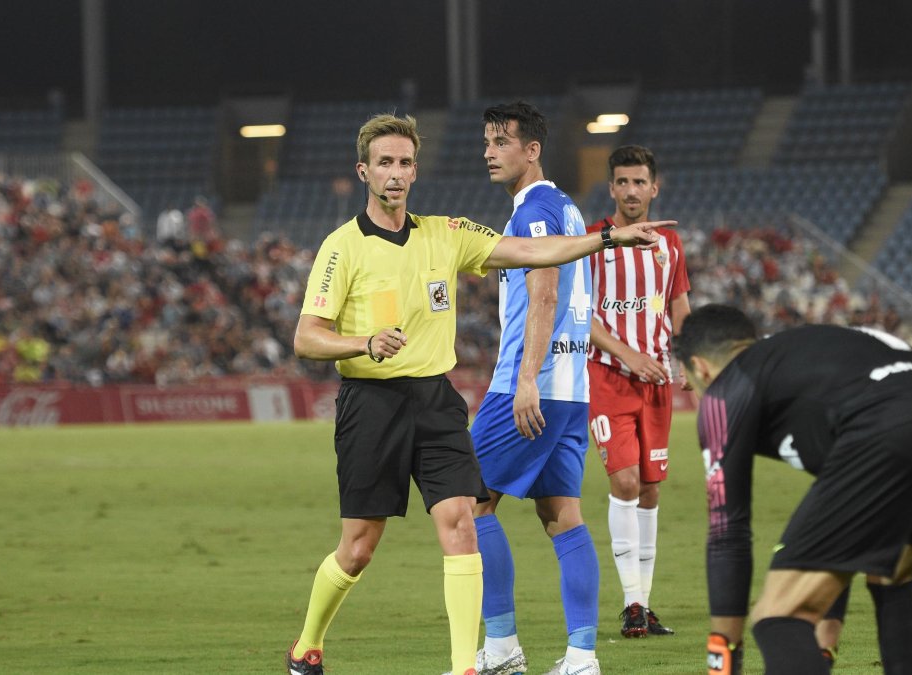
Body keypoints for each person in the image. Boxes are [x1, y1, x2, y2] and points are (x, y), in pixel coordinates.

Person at [284, 113, 672, 675]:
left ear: (416, 171)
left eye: (405, 163)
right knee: (359, 548)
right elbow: (306, 338)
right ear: (363, 170)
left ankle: (471, 664)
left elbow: (536, 255)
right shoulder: (342, 248)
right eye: (385, 163)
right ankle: (308, 646)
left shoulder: (446, 233)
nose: (396, 174)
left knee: (464, 521)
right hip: (371, 405)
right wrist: (362, 342)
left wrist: (609, 236)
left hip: (436, 403)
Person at [672, 304, 912, 675]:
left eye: (689, 379)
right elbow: (841, 534)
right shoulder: (806, 354)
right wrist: (825, 643)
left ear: (700, 367)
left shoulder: (727, 387)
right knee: (894, 578)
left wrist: (724, 656)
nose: (689, 388)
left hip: (896, 426)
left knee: (779, 616)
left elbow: (727, 531)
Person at [467, 101, 601, 675]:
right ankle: (581, 656)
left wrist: (525, 379)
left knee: (467, 500)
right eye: (488, 142)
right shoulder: (568, 208)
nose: (490, 152)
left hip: (534, 385)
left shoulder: (536, 209)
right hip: (573, 389)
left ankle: (500, 648)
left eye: (502, 141)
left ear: (532, 149)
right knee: (562, 516)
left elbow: (545, 292)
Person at [585, 145, 689, 638]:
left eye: (639, 182)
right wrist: (628, 355)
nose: (630, 190)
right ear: (611, 189)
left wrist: (684, 355)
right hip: (608, 378)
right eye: (621, 182)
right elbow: (579, 316)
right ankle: (630, 602)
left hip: (657, 383)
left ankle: (643, 606)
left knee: (649, 489)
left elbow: (679, 306)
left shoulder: (670, 244)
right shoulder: (594, 240)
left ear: (654, 187)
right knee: (624, 482)